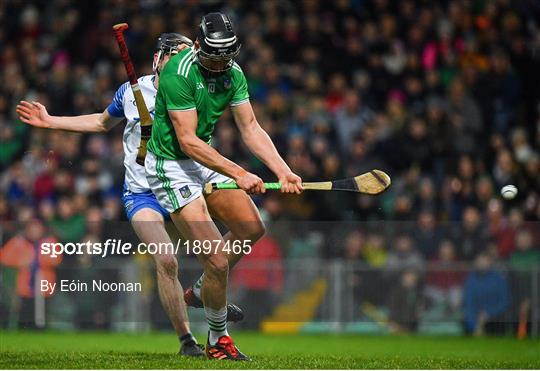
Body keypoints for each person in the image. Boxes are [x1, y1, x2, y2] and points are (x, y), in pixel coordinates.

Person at [15, 33, 237, 357]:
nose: (180, 63)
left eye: (186, 57)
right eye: (174, 55)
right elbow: (101, 122)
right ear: (158, 60)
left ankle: (206, 291)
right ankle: (187, 340)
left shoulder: (194, 94)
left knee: (232, 241)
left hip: (179, 185)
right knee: (166, 259)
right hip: (142, 193)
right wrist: (51, 121)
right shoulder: (133, 93)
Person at [145, 13, 302, 360]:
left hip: (204, 161)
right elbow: (187, 141)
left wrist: (283, 169)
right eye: (213, 55)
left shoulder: (233, 73)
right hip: (172, 166)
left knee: (251, 227)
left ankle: (203, 288)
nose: (219, 64)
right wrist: (240, 173)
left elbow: (250, 128)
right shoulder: (178, 73)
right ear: (198, 45)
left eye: (226, 56)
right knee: (217, 258)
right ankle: (218, 340)